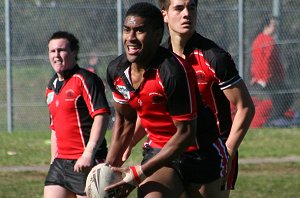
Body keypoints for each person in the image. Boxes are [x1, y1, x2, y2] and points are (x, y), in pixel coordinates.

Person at [105, 2, 227, 198]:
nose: (131, 38)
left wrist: (140, 173)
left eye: (139, 31)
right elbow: (125, 121)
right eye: (127, 30)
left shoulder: (173, 72)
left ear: (156, 35)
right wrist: (108, 168)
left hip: (200, 151)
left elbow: (186, 133)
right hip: (159, 149)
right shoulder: (117, 71)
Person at [158, 0, 255, 197]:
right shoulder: (159, 59)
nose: (187, 14)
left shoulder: (214, 57)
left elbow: (245, 107)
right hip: (175, 149)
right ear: (164, 15)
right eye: (179, 8)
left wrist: (226, 153)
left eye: (192, 7)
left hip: (214, 151)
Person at [43, 31, 110, 198]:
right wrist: (53, 161)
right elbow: (55, 128)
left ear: (74, 52)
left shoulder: (86, 79)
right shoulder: (51, 86)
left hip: (86, 162)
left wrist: (89, 153)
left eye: (62, 50)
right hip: (60, 164)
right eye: (52, 51)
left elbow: (101, 116)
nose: (56, 55)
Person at [250, 16, 293, 127]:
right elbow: (265, 61)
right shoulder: (267, 41)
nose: (276, 27)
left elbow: (256, 62)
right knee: (282, 99)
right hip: (268, 79)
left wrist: (255, 76)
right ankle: (270, 123)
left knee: (285, 96)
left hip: (266, 78)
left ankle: (275, 120)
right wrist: (265, 78)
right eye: (274, 25)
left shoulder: (258, 40)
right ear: (267, 26)